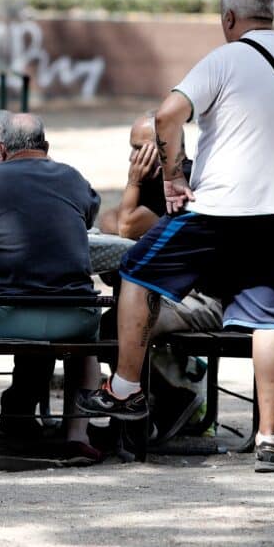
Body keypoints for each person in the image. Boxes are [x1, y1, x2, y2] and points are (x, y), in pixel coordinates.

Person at [78, 0, 274, 473]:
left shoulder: (226, 58)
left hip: (220, 207)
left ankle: (127, 388)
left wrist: (173, 178)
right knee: (270, 317)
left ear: (229, 19)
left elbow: (168, 116)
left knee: (136, 269)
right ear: (271, 16)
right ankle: (270, 439)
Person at [0, 113, 104, 472]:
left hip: (5, 313)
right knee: (87, 345)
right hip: (74, 315)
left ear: (5, 149)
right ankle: (78, 438)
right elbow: (88, 216)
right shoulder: (73, 177)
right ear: (46, 147)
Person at [99, 114, 223, 443]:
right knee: (113, 322)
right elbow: (108, 218)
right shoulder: (155, 183)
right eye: (131, 149)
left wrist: (132, 183)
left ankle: (168, 402)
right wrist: (133, 192)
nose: (133, 158)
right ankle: (141, 413)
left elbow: (125, 226)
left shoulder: (188, 184)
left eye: (141, 149)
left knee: (118, 324)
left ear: (170, 148)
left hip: (203, 299)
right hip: (169, 296)